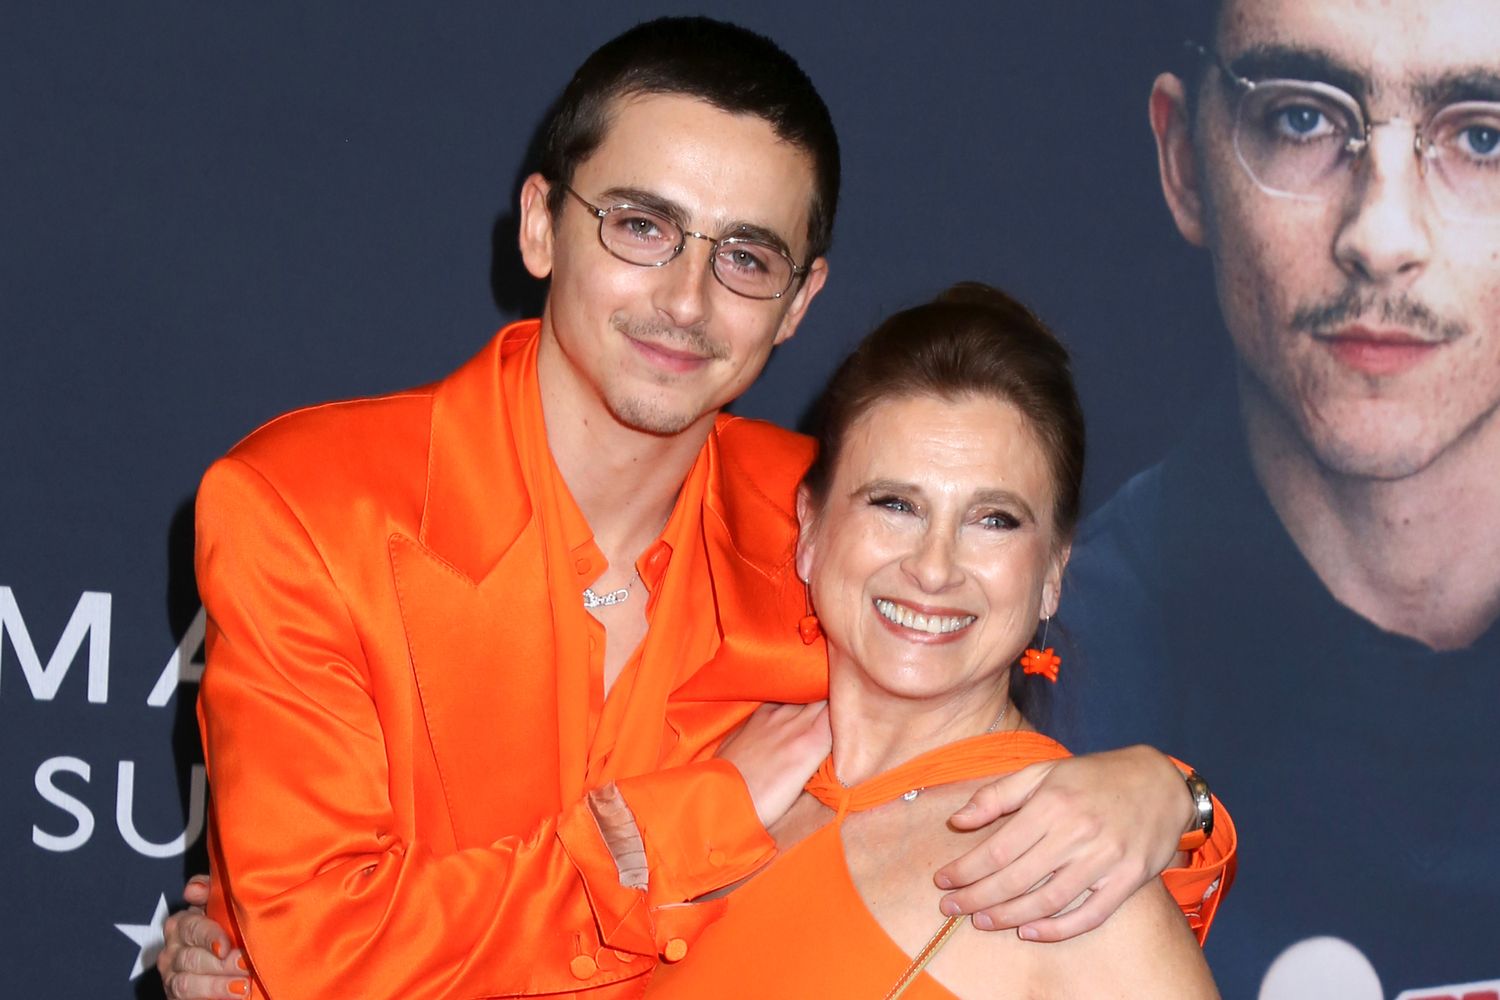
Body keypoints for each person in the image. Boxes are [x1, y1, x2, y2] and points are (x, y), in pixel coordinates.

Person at [162, 16, 1228, 1000]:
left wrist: (1172, 801)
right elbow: (330, 956)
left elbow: (986, 779)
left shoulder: (843, 526)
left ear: (800, 302)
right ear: (541, 226)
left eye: (746, 257)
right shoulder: (308, 513)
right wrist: (693, 821)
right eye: (641, 226)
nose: (685, 299)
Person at [1062, 0, 1500, 995]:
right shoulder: (1025, 694)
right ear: (1184, 165)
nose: (1381, 236)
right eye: (1301, 118)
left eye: (1484, 136)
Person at [647, 284, 1229, 998]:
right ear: (811, 530)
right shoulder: (710, 769)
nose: (933, 567)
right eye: (895, 505)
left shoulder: (1066, 877)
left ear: (1052, 573)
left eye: (994, 520)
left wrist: (1180, 795)